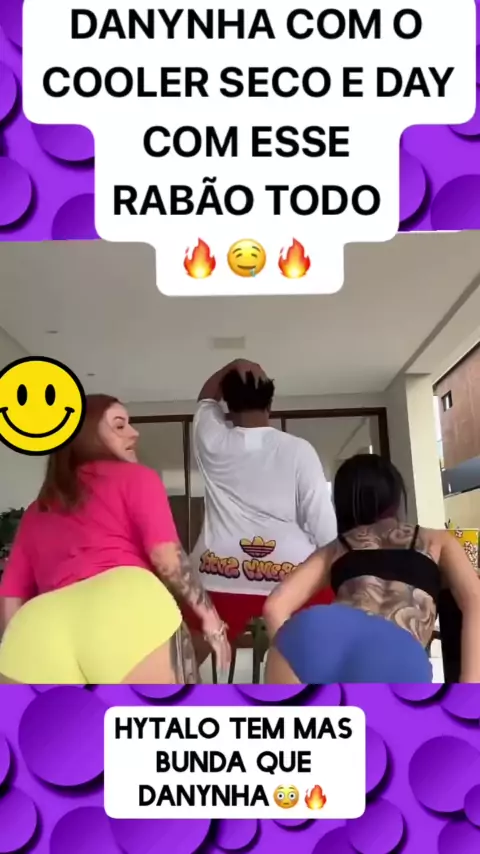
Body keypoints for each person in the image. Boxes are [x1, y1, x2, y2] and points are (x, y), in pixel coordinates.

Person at [0, 394, 230, 685]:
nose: (134, 433)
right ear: (86, 435)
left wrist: (18, 646)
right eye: (119, 426)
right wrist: (210, 619)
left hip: (39, 625)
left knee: (64, 719)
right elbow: (166, 556)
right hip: (122, 605)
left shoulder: (37, 509)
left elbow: (10, 594)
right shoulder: (136, 478)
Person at [263, 453, 480, 683]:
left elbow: (274, 607)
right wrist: (471, 685)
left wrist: (297, 650)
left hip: (319, 632)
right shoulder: (437, 541)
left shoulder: (339, 546)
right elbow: (475, 600)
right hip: (396, 652)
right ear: (396, 497)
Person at [188, 359, 337, 646]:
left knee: (188, 658)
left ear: (227, 405)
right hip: (290, 580)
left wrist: (233, 366)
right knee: (315, 653)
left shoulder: (211, 441)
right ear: (270, 404)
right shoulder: (298, 450)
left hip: (217, 578)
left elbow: (206, 398)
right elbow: (324, 526)